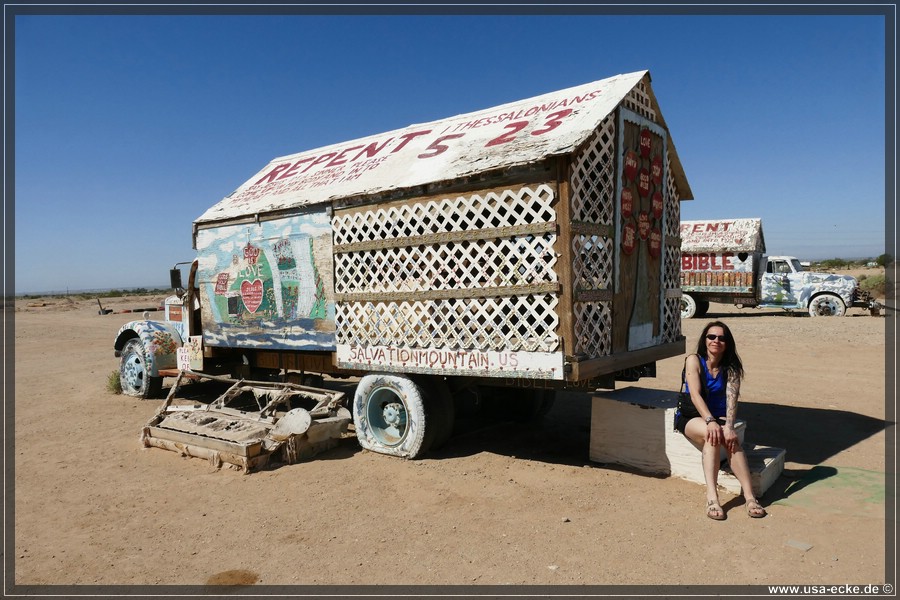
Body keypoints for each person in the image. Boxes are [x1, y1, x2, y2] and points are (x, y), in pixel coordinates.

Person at [674, 321, 767, 520]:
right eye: (711, 337)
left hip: (717, 417)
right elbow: (695, 395)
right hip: (692, 416)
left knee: (730, 439)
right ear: (704, 340)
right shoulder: (694, 360)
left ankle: (750, 497)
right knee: (712, 435)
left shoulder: (731, 367)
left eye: (721, 338)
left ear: (728, 342)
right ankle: (712, 497)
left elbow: (732, 398)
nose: (716, 341)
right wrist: (710, 421)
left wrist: (730, 426)